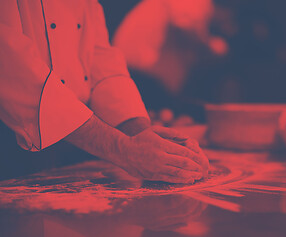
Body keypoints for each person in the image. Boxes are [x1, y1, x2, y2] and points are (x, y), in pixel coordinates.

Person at [0, 0, 208, 183]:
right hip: (9, 138)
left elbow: (101, 59)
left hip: (70, 136)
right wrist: (123, 150)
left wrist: (140, 132)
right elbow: (11, 68)